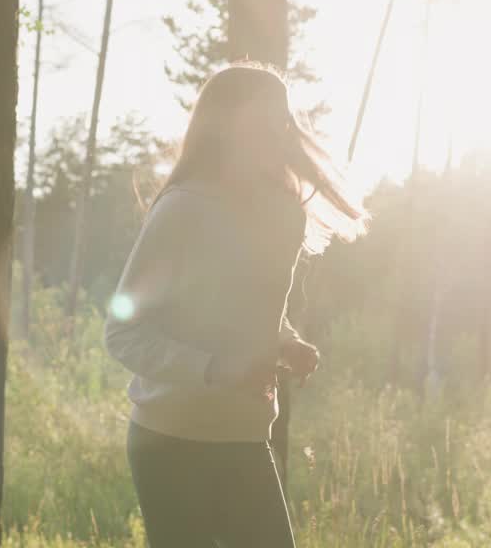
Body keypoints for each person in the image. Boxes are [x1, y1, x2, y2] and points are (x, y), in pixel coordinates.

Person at [105, 63, 368, 547]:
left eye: (281, 119)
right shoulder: (183, 208)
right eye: (263, 119)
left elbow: (253, 308)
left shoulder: (283, 213)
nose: (277, 130)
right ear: (225, 125)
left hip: (245, 435)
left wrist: (288, 343)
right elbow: (122, 333)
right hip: (170, 440)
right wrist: (216, 368)